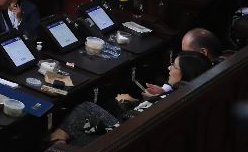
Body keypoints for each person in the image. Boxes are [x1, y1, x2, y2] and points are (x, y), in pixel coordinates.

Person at [47, 51, 213, 146]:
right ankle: (59, 143)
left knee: (85, 108)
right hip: (134, 129)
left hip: (127, 138)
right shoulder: (182, 93)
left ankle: (57, 148)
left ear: (186, 74)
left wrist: (126, 102)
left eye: (174, 66)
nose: (169, 68)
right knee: (88, 113)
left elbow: (138, 117)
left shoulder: (173, 98)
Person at [143, 28, 224, 96]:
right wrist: (164, 90)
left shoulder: (209, 81)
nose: (183, 56)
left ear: (202, 52)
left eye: (187, 52)